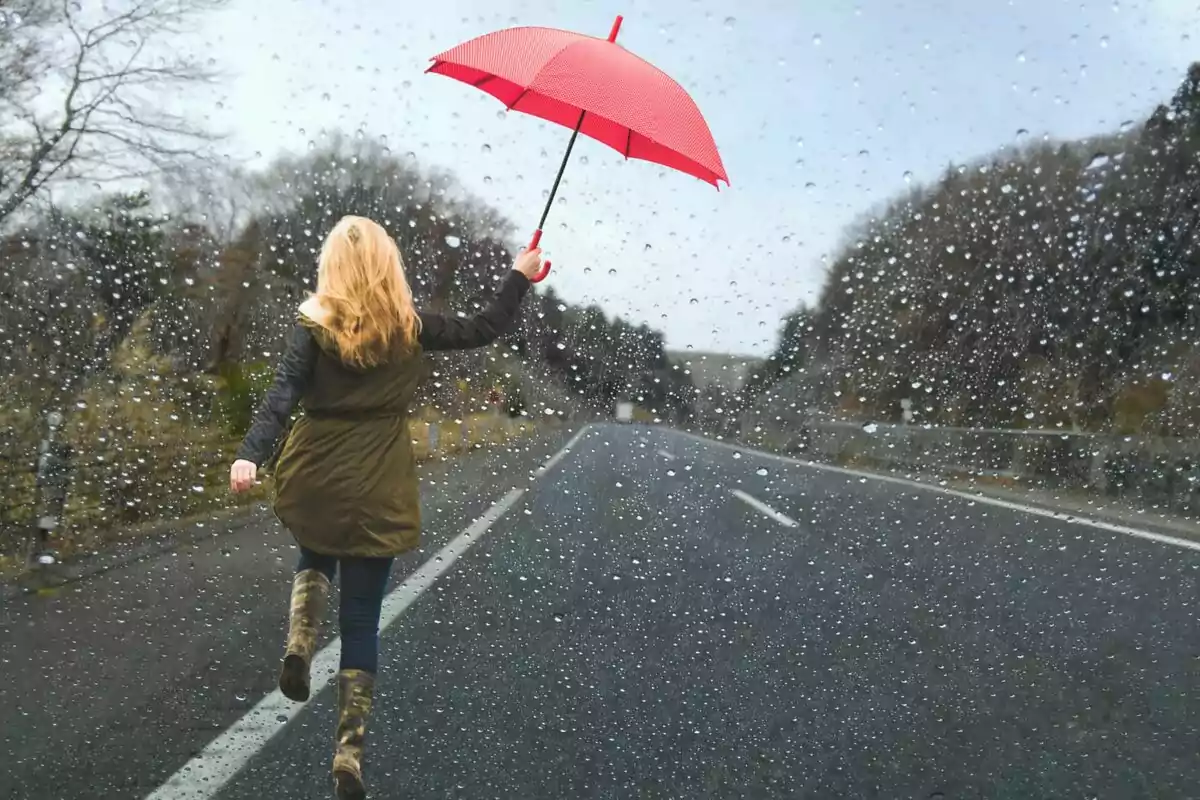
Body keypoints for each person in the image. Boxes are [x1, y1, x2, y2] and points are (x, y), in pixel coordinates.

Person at [229, 214, 542, 800]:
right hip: (379, 480)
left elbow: (282, 393)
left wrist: (251, 454)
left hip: (315, 467)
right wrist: (518, 276)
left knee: (316, 549)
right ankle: (348, 756)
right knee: (361, 622)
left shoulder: (313, 325)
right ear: (386, 264)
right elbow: (484, 328)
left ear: (333, 267)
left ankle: (298, 644)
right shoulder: (411, 326)